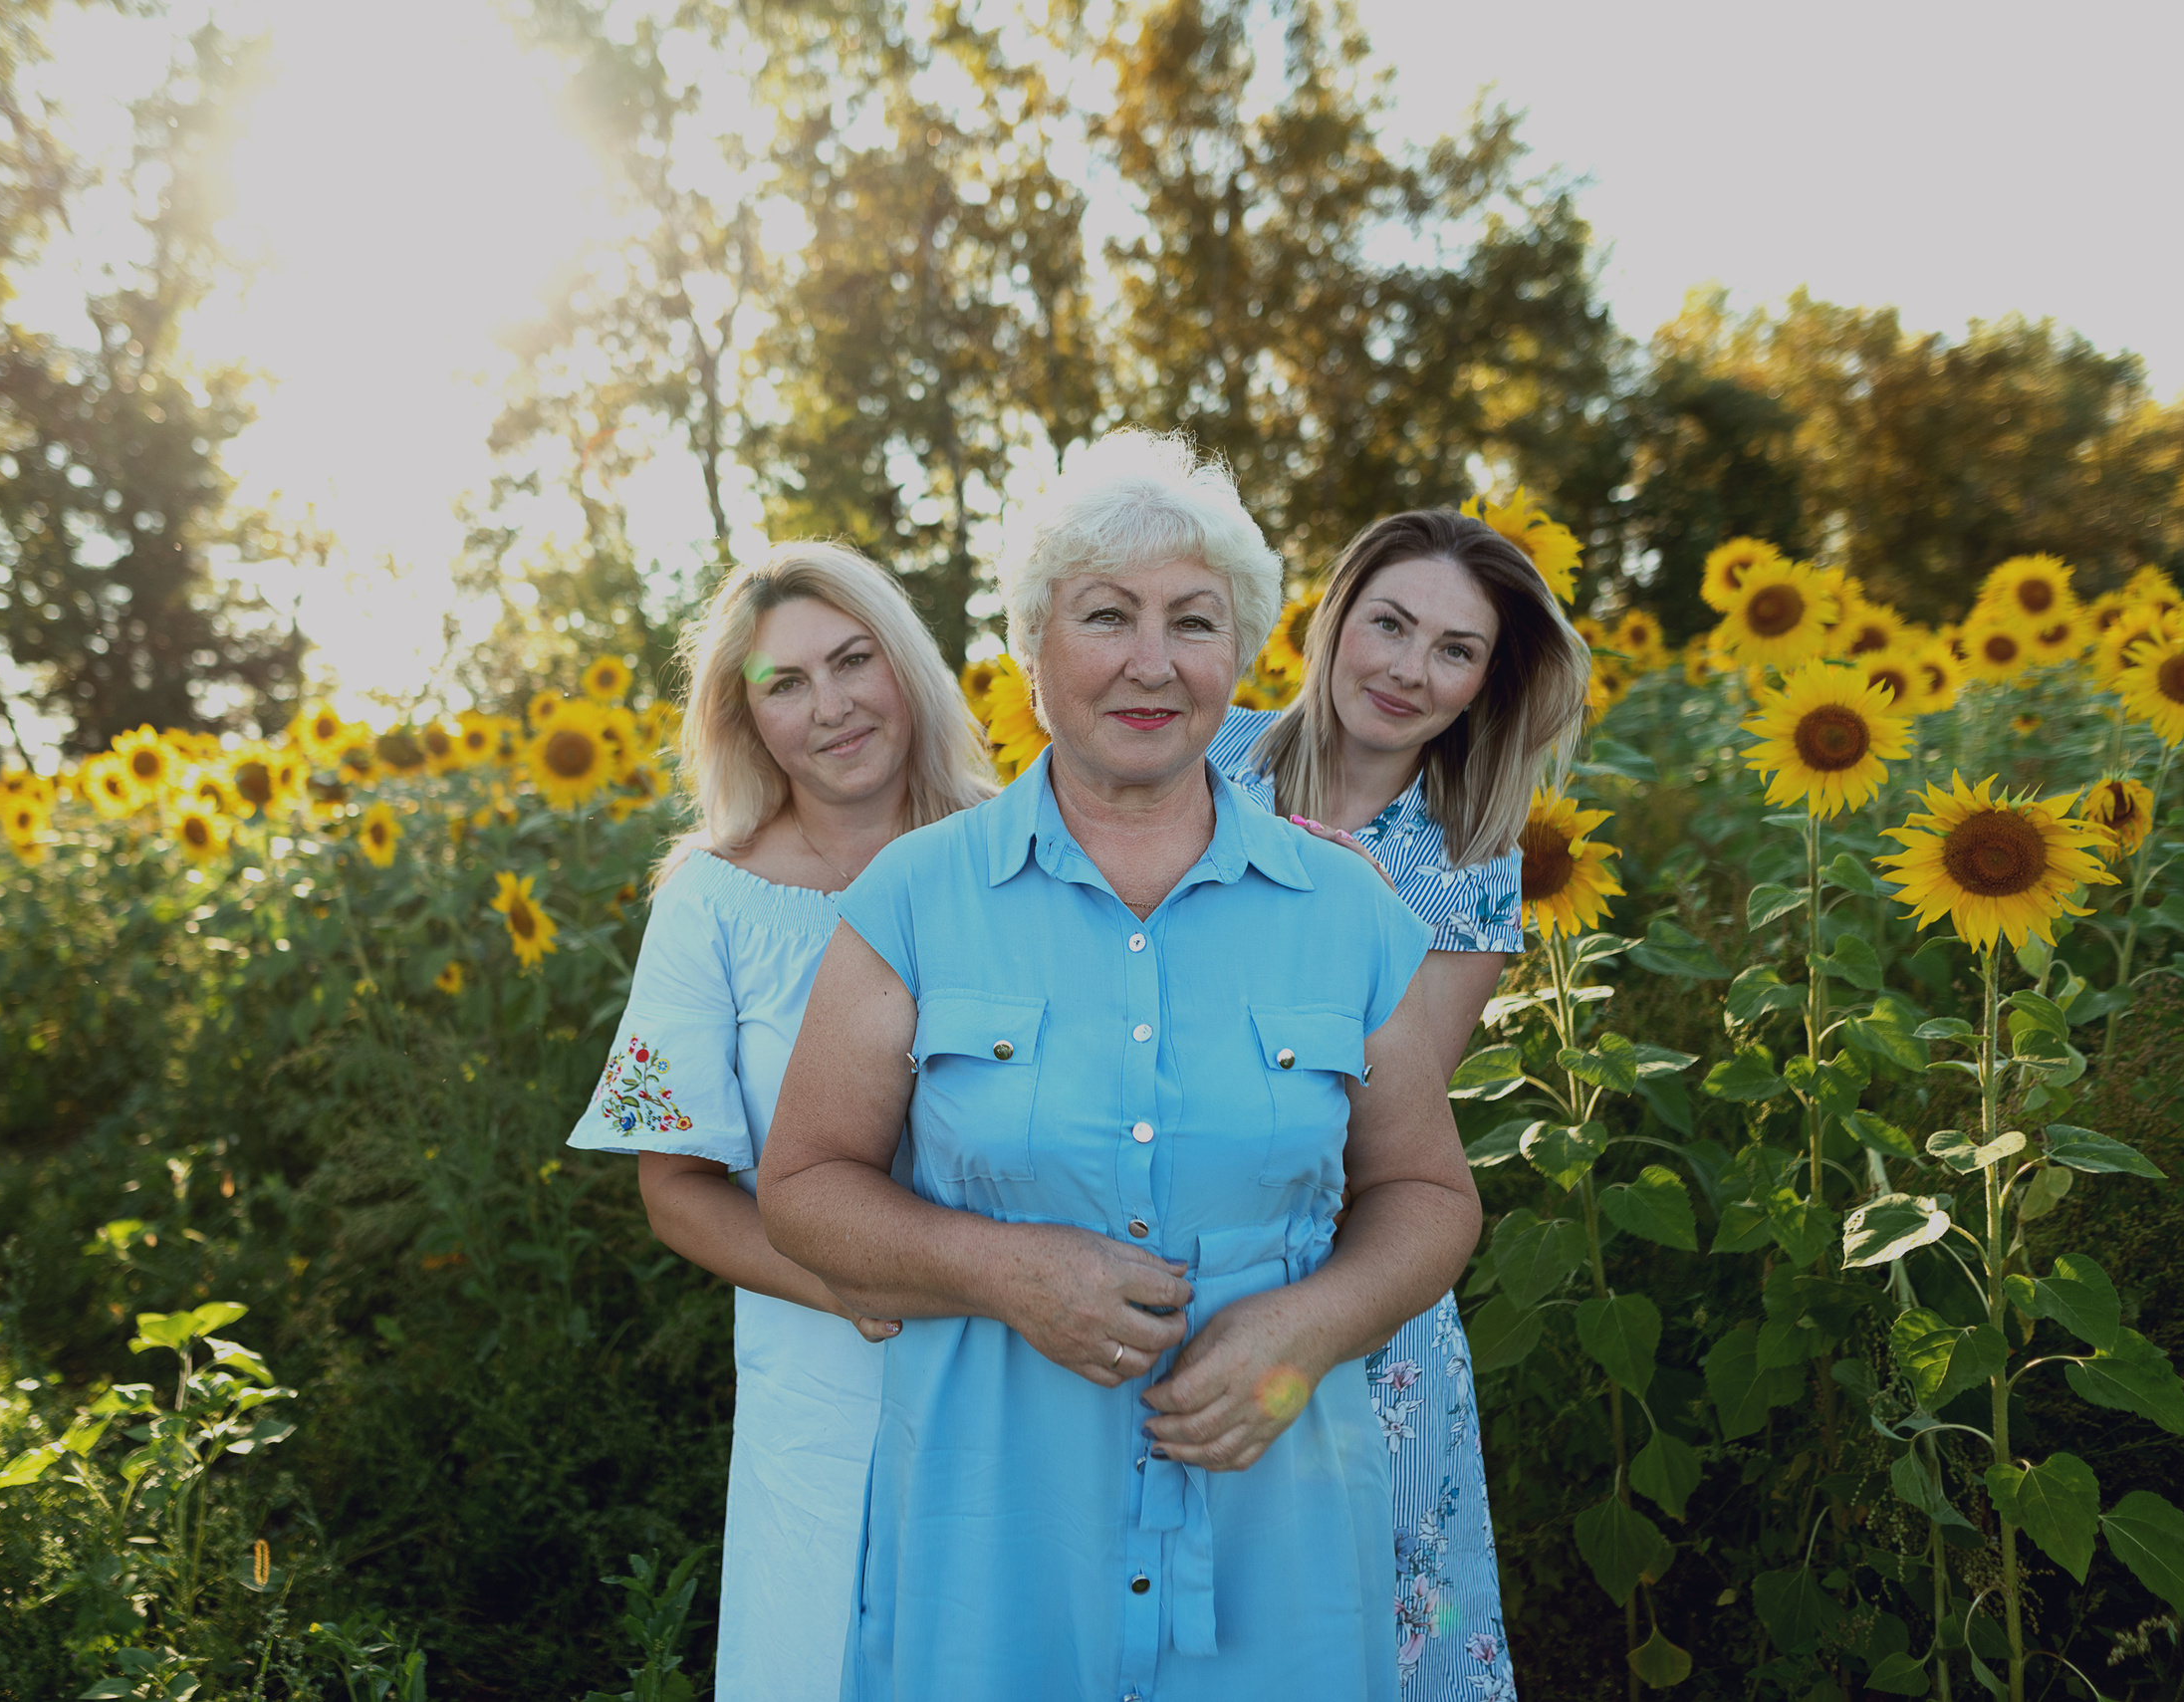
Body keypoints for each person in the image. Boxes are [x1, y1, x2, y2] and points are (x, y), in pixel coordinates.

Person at [760, 431, 1483, 1701]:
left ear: (1240, 658)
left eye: (1193, 622)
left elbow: (1428, 1194)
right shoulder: (914, 897)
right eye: (1106, 615)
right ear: (1034, 648)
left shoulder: (1344, 906)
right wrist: (1001, 1266)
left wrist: (1308, 1328)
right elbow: (805, 1182)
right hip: (994, 1517)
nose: (1152, 661)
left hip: (1282, 1509)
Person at [565, 542, 996, 1702]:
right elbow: (674, 1189)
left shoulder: (1022, 851)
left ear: (905, 666)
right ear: (746, 721)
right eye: (785, 683)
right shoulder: (713, 898)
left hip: (1032, 1360)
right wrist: (846, 1285)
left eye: (854, 660)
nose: (831, 705)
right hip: (824, 1385)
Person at [1208, 508, 1587, 1695]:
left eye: (1454, 650)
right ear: (1334, 618)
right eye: (1389, 623)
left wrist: (1349, 912)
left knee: (1368, 1620)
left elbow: (1385, 1111)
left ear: (1485, 682)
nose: (1408, 671)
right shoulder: (1199, 758)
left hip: (1351, 1289)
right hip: (1156, 1236)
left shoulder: (1466, 857)